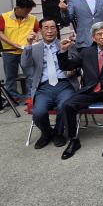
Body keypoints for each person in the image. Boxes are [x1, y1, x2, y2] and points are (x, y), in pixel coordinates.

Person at [57, 22, 103, 159]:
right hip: (90, 90)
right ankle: (73, 140)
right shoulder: (86, 52)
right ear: (93, 37)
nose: (102, 37)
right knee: (67, 105)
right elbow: (66, 66)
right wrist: (64, 51)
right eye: (99, 34)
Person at [21, 18, 78, 149]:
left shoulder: (66, 44)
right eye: (46, 28)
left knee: (64, 107)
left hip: (64, 85)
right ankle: (46, 134)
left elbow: (78, 63)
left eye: (53, 27)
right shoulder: (34, 48)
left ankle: (58, 133)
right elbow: (25, 64)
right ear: (40, 31)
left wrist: (73, 68)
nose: (50, 31)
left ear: (56, 30)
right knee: (38, 113)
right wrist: (28, 44)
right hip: (44, 87)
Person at [0, 0, 39, 103]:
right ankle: (13, 97)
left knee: (30, 75)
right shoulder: (4, 16)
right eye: (26, 11)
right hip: (9, 51)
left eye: (29, 11)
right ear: (18, 8)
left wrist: (35, 39)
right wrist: (12, 43)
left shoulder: (33, 18)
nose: (28, 13)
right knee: (10, 76)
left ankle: (30, 96)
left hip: (26, 51)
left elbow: (36, 31)